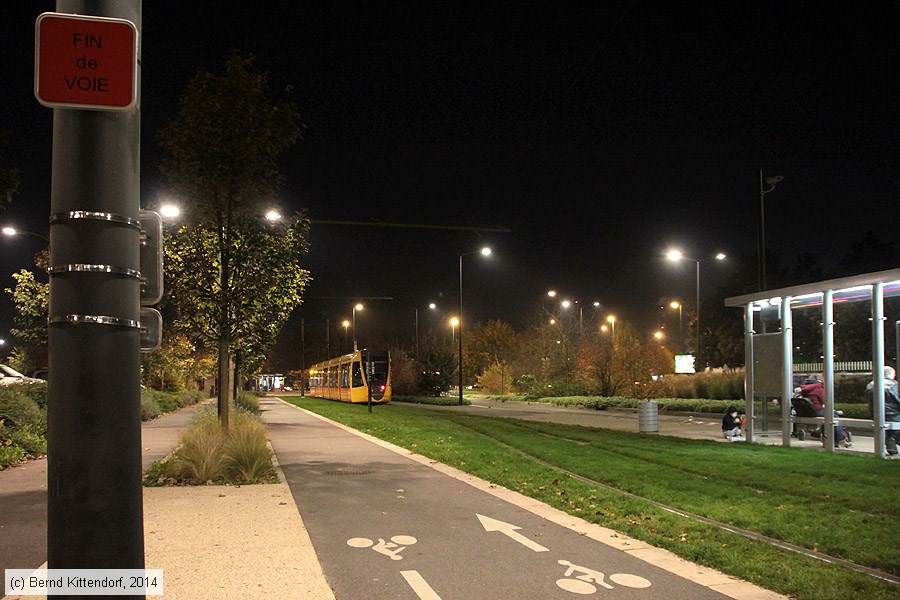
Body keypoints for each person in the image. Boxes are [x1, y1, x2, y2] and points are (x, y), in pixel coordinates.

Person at [797, 376, 849, 447]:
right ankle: (840, 440)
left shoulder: (805, 388)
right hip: (817, 410)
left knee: (825, 421)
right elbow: (825, 400)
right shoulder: (818, 387)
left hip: (809, 412)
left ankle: (827, 441)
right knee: (835, 418)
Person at [866, 366, 900, 456]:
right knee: (895, 428)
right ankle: (891, 439)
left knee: (891, 430)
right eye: (894, 374)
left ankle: (891, 442)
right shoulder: (893, 384)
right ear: (890, 374)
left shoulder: (870, 384)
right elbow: (898, 400)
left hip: (876, 414)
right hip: (893, 415)